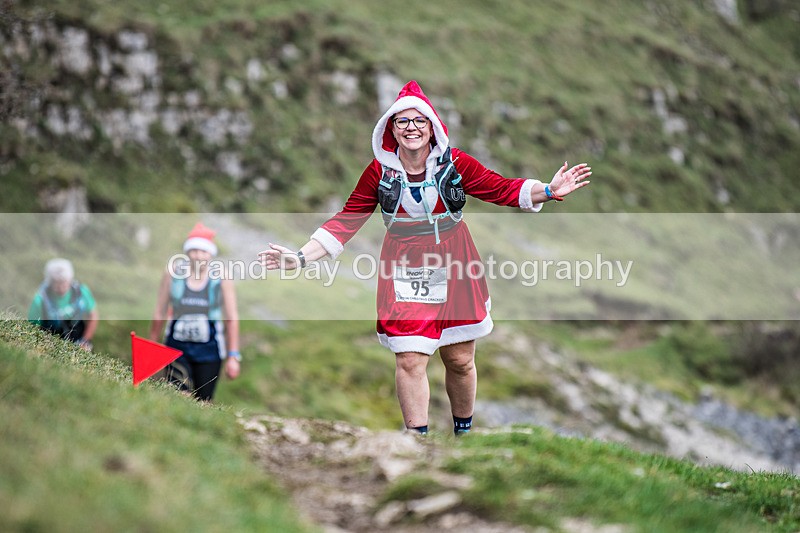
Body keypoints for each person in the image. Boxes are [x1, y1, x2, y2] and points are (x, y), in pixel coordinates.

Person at [260, 80, 591, 434]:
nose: (412, 128)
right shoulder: (379, 171)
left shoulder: (455, 163)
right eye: (403, 121)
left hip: (455, 257)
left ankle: (463, 434)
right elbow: (348, 219)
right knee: (409, 356)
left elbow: (499, 188)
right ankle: (416, 443)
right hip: (406, 263)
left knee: (460, 359)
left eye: (420, 121)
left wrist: (548, 191)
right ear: (391, 129)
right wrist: (300, 257)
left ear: (432, 127)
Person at [149, 222, 241, 401]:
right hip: (176, 346)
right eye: (194, 250)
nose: (198, 256)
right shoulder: (172, 274)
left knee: (204, 400)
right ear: (187, 252)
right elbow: (160, 312)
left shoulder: (222, 278)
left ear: (210, 254)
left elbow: (231, 318)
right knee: (176, 396)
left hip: (210, 350)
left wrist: (233, 356)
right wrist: (152, 346)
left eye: (203, 251)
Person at [29, 258, 99, 350]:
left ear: (70, 279)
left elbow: (93, 316)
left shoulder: (81, 292)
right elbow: (32, 328)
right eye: (56, 283)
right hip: (49, 344)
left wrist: (85, 341)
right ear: (49, 282)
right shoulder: (40, 300)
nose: (61, 288)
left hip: (78, 341)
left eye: (64, 282)